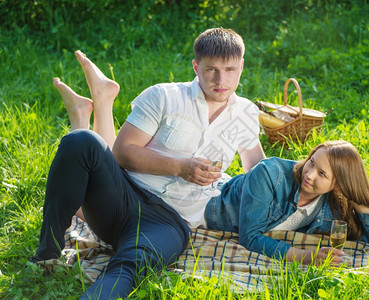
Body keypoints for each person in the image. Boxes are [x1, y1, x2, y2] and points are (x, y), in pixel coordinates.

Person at [32, 27, 265, 299]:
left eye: (230, 70)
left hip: (170, 222)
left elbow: (257, 168)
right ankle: (46, 257)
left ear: (242, 67)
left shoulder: (246, 114)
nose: (220, 79)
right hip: (122, 196)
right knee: (81, 140)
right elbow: (122, 152)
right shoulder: (164, 97)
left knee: (129, 265)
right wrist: (181, 167)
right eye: (211, 69)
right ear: (195, 66)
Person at [205, 140, 369, 266]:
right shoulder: (269, 174)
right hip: (205, 201)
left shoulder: (332, 208)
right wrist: (307, 257)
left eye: (322, 174)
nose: (309, 174)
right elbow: (250, 237)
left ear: (337, 186)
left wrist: (358, 199)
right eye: (311, 162)